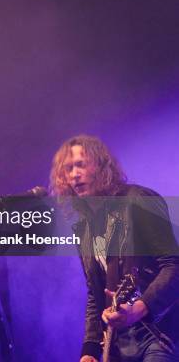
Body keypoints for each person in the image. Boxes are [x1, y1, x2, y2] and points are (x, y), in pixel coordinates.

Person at [49, 135, 178, 362]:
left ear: (100, 165)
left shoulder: (138, 200)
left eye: (80, 164)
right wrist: (89, 349)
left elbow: (173, 265)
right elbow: (95, 292)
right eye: (68, 168)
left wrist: (141, 307)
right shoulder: (84, 228)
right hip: (119, 343)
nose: (74, 174)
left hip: (158, 334)